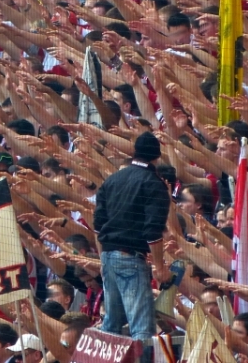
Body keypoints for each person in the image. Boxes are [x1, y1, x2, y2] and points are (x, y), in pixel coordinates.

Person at [94, 131, 172, 341]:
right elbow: (153, 231)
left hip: (108, 256)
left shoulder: (112, 179)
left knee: (111, 323)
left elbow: (98, 225)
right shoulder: (153, 183)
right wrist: (160, 267)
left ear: (135, 152)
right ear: (157, 156)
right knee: (142, 328)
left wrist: (103, 259)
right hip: (130, 257)